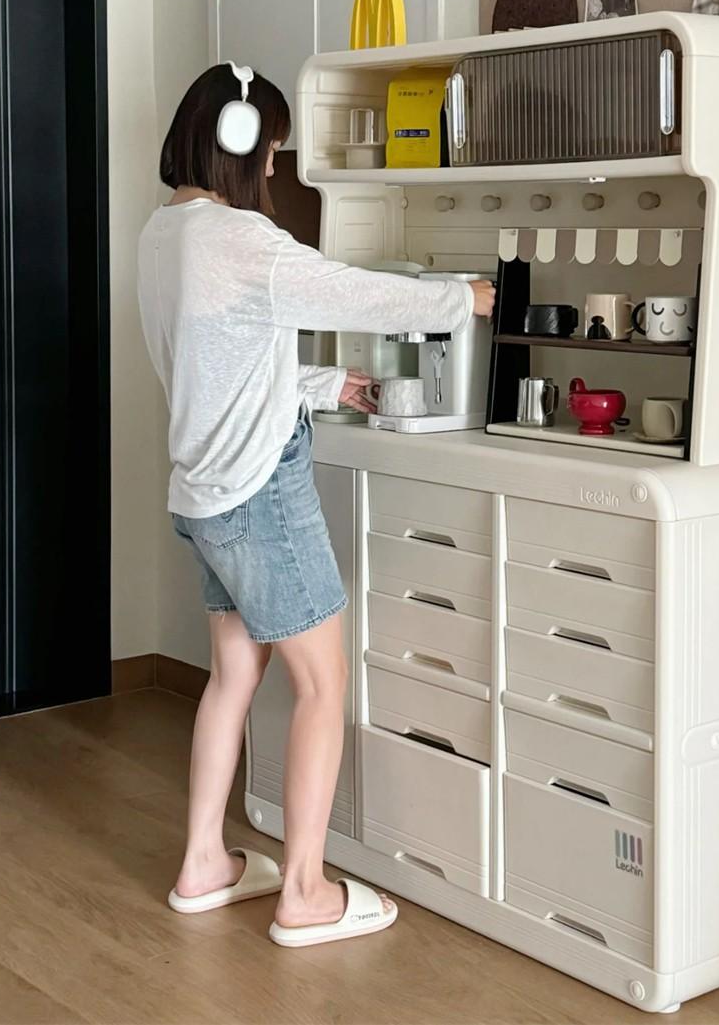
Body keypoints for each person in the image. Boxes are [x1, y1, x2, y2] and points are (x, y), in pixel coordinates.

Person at [137, 63, 495, 947]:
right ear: (239, 143)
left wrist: (332, 383)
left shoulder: (161, 234)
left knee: (233, 675)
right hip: (259, 493)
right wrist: (462, 299)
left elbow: (223, 372)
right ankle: (303, 891)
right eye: (271, 150)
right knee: (323, 682)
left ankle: (203, 864)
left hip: (203, 497)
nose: (273, 168)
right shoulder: (243, 240)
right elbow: (351, 289)